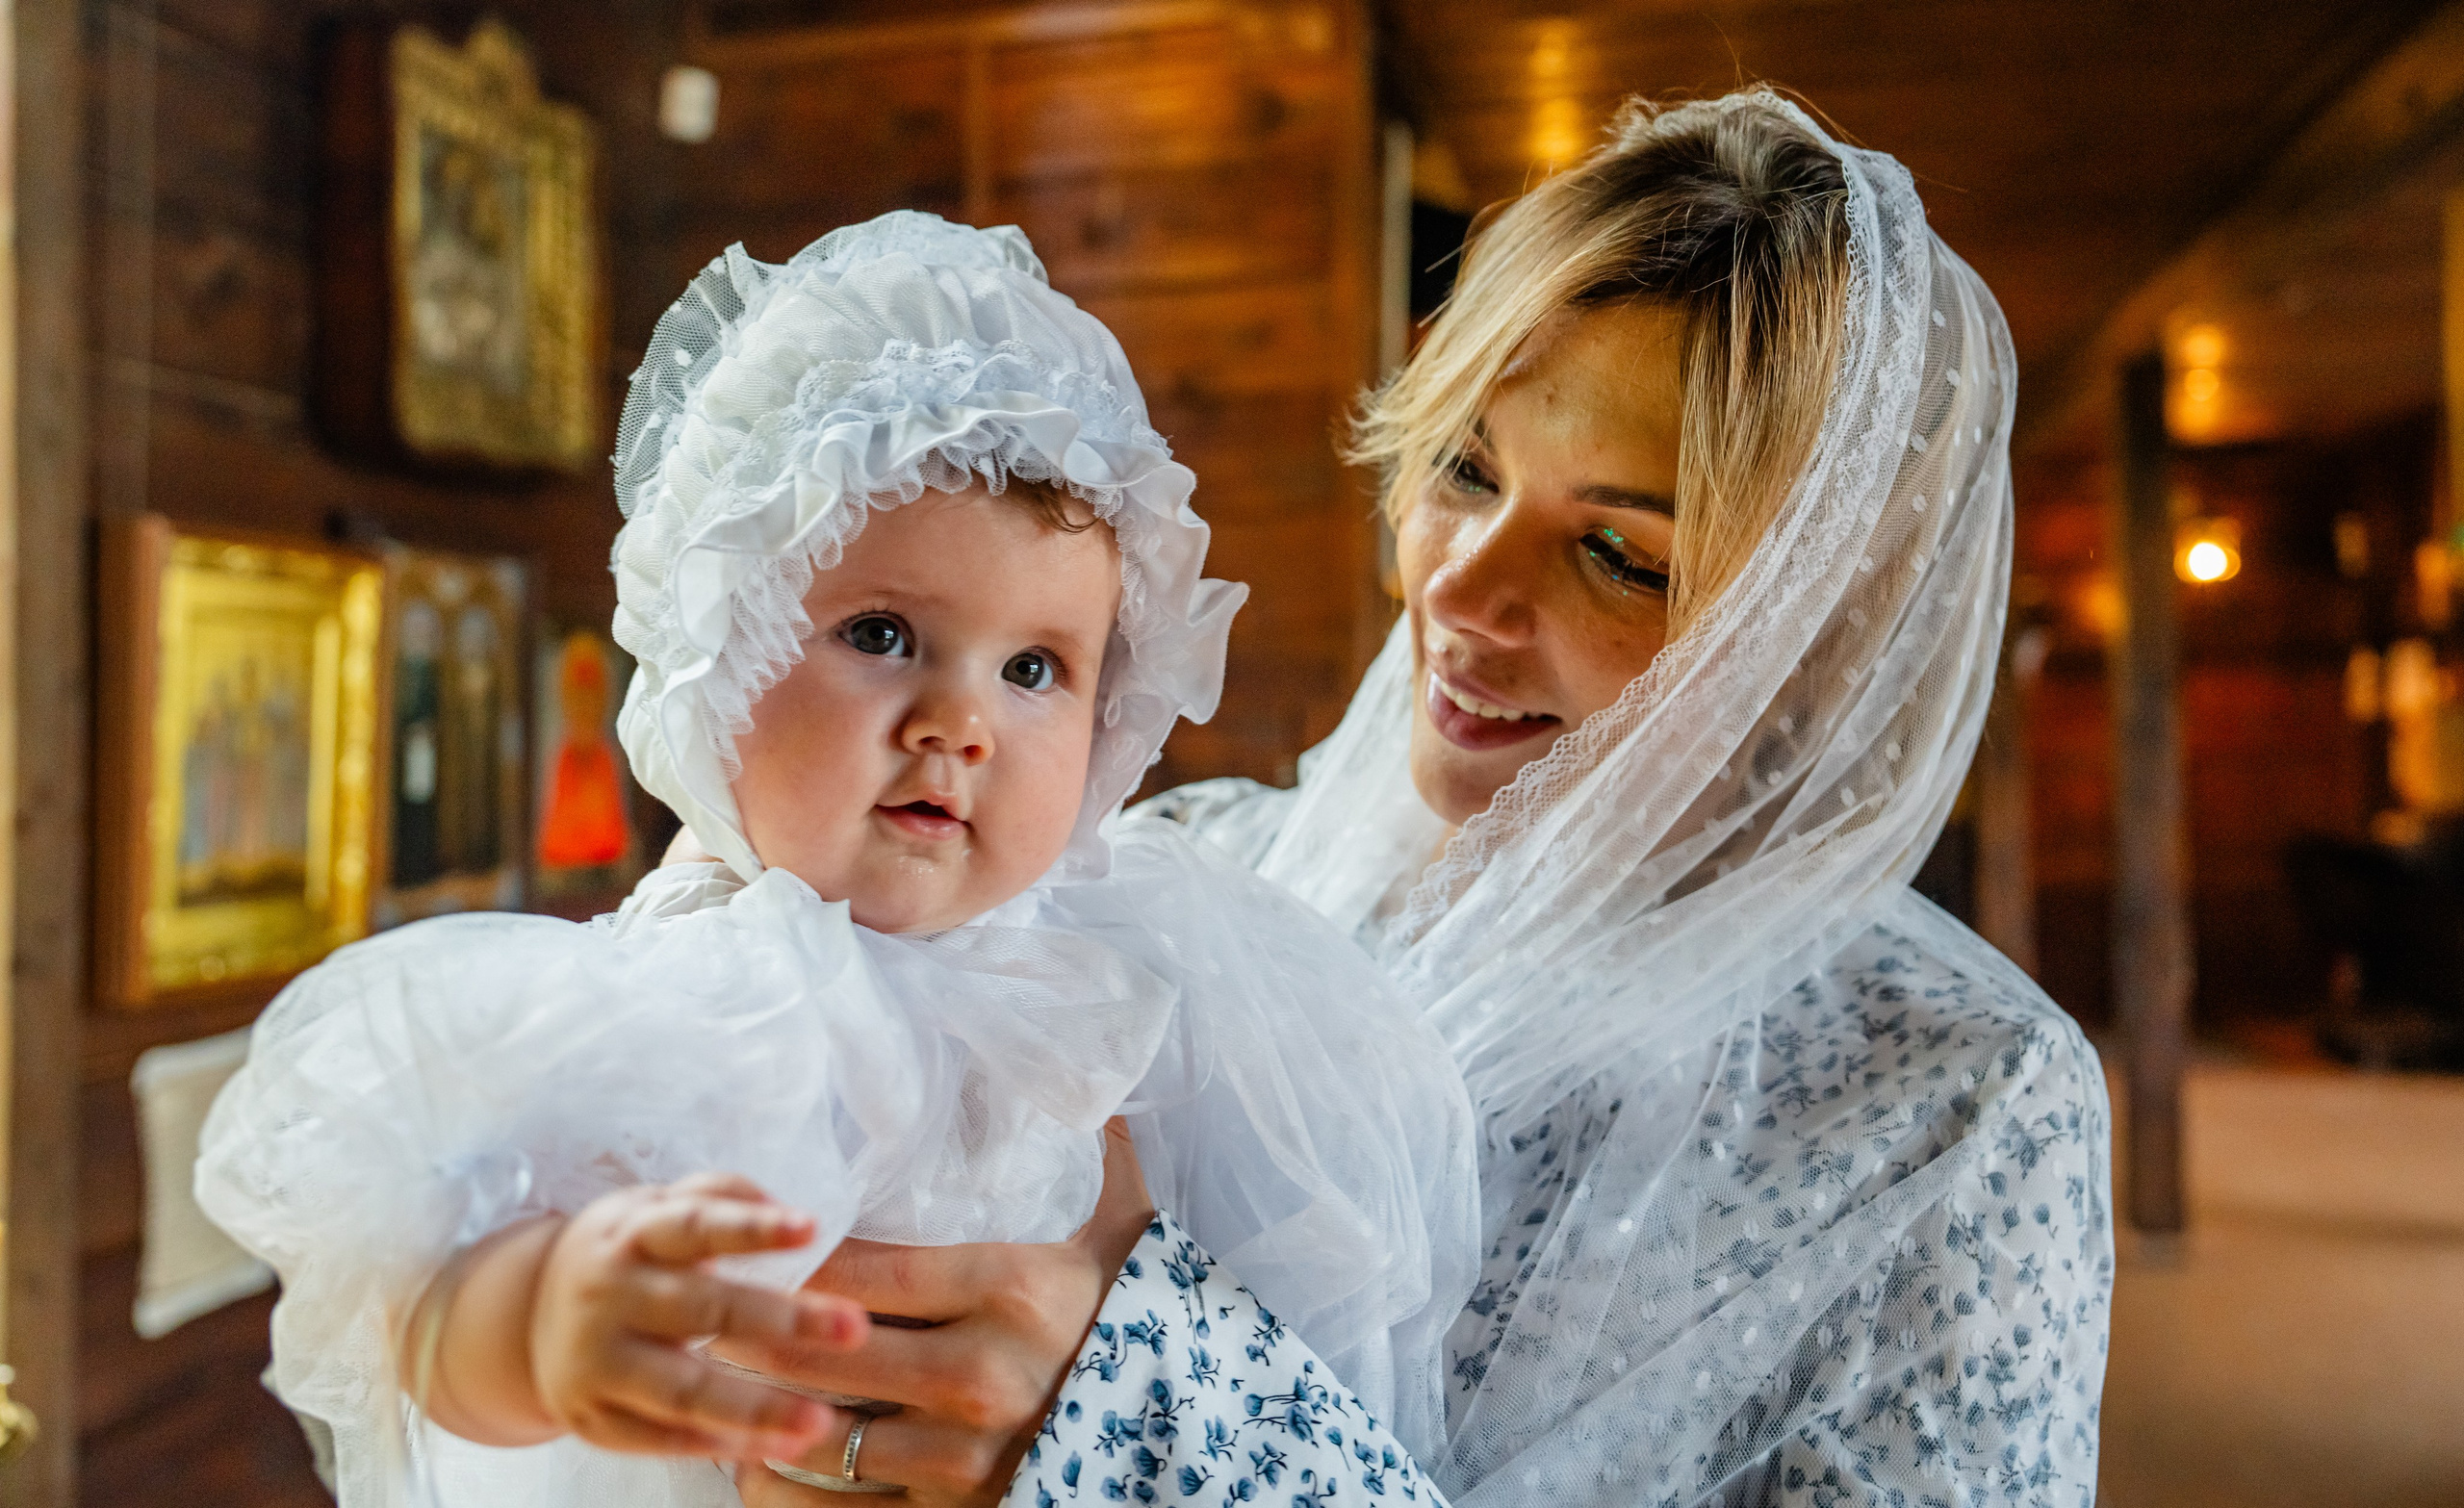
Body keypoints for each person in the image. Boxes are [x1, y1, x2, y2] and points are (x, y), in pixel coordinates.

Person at [727, 91, 2114, 1508]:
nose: (1458, 586)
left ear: (1812, 638)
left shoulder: (1955, 1100)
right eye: (1462, 467)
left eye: (1621, 556)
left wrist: (1160, 1419)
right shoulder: (1165, 872)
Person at [196, 213, 1476, 1508]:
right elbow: (415, 1297)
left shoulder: (1128, 967)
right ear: (723, 652)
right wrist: (538, 1321)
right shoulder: (699, 984)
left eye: (1035, 669)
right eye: (880, 633)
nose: (958, 724)